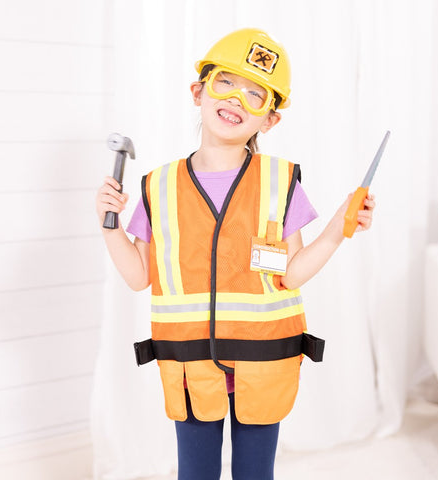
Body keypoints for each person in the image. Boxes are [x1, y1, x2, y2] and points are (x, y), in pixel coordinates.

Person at [95, 28, 375, 480]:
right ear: (198, 91)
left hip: (264, 363)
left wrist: (337, 230)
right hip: (190, 367)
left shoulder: (280, 183)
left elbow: (292, 272)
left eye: (255, 94)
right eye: (226, 83)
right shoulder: (158, 186)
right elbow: (138, 275)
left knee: (254, 475)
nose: (237, 100)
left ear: (269, 120)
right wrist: (108, 225)